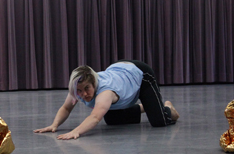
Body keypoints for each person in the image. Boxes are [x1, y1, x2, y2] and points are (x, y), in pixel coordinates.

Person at [34, 60, 179, 140]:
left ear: (94, 83)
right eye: (79, 90)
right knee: (112, 119)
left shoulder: (105, 92)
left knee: (158, 121)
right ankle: (146, 106)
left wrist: (76, 131)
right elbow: (66, 108)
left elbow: (95, 117)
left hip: (140, 75)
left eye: (87, 88)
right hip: (120, 72)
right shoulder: (76, 89)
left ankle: (166, 107)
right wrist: (54, 124)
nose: (83, 94)